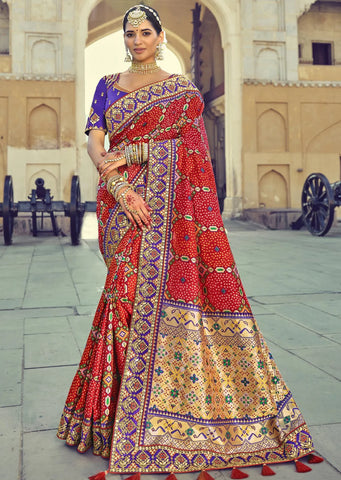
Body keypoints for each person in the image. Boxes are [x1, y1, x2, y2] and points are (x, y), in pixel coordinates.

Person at [57, 5, 322, 479]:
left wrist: (138, 151)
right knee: (123, 295)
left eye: (145, 32)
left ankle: (142, 419)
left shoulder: (180, 91)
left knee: (136, 301)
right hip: (121, 204)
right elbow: (95, 141)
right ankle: (109, 418)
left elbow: (189, 150)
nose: (136, 40)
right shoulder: (106, 85)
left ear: (161, 37)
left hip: (167, 205)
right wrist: (117, 184)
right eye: (130, 33)